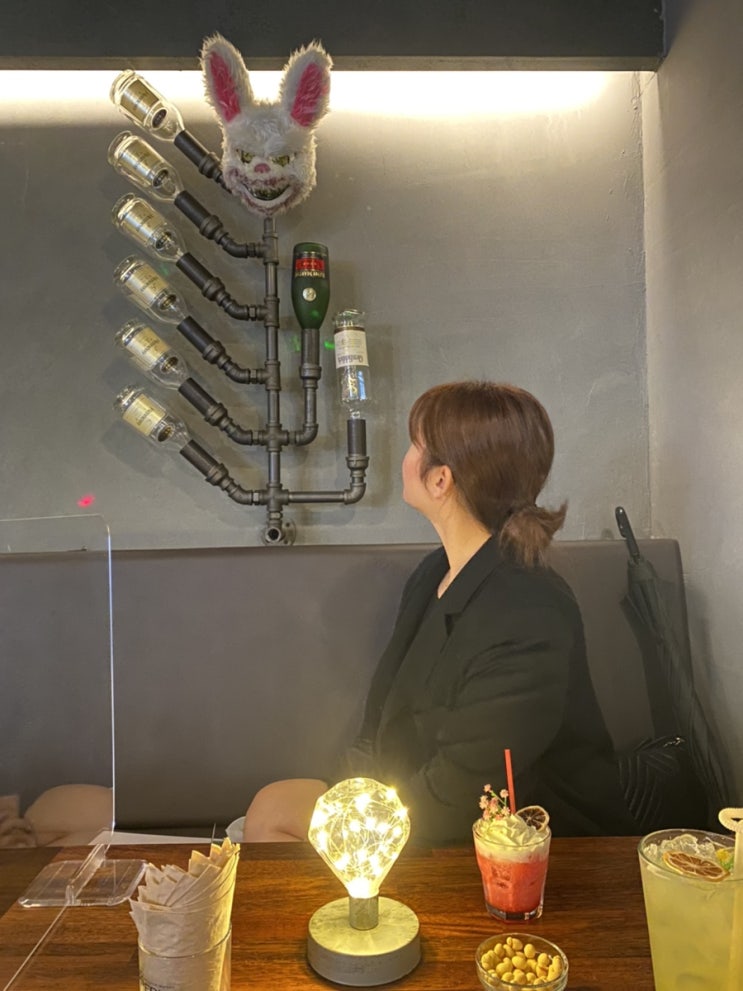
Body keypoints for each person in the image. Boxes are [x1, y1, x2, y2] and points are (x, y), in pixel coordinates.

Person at [242, 381, 634, 843]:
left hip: (521, 845)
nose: (406, 457)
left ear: (440, 479)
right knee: (273, 805)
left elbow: (464, 792)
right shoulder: (435, 572)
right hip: (426, 800)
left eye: (415, 445)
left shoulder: (529, 612)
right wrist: (355, 789)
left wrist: (361, 831)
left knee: (273, 818)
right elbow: (381, 724)